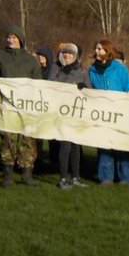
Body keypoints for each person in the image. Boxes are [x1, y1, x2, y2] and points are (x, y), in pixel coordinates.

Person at [0, 26, 43, 187]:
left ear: (20, 39)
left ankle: (27, 174)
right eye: (8, 37)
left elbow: (38, 82)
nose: (10, 40)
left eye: (13, 37)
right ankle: (8, 175)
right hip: (8, 106)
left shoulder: (30, 60)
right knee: (8, 140)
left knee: (27, 140)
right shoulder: (1, 56)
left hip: (27, 107)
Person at [88, 39, 129, 183]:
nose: (97, 51)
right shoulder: (92, 70)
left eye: (100, 49)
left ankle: (126, 178)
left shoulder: (119, 68)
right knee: (105, 146)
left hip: (121, 112)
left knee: (123, 145)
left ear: (107, 51)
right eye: (96, 49)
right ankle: (106, 177)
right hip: (103, 113)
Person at [49, 43, 89, 189]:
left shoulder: (82, 70)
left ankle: (75, 177)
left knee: (76, 147)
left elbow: (89, 89)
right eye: (64, 53)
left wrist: (84, 88)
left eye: (70, 53)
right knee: (65, 146)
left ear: (75, 56)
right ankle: (63, 178)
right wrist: (63, 74)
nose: (67, 55)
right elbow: (50, 85)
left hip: (77, 113)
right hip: (61, 113)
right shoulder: (56, 67)